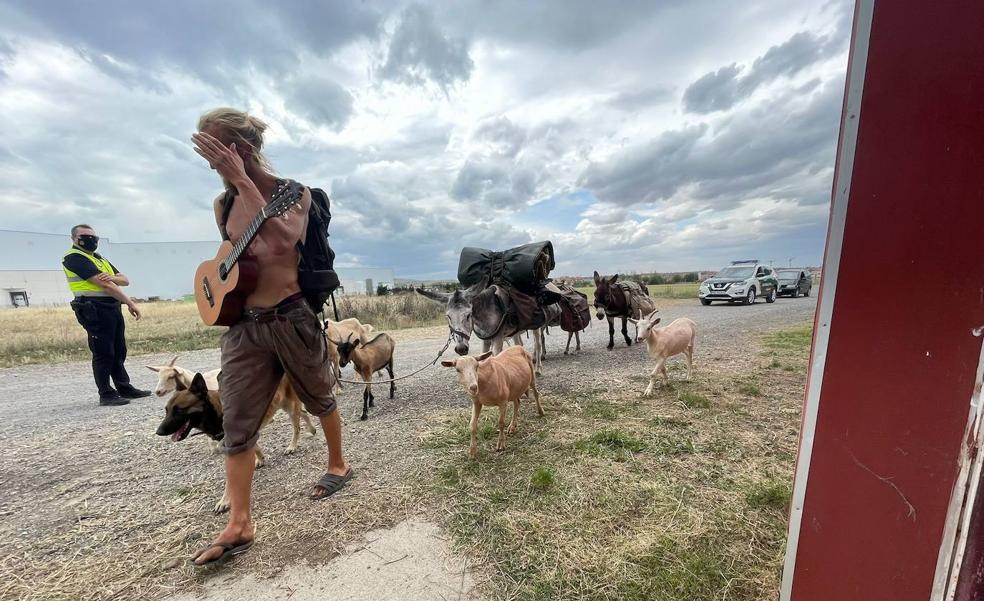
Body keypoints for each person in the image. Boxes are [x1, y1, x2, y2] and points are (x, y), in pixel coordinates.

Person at [189, 108, 352, 566]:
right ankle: (240, 521)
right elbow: (232, 258)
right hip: (244, 325)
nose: (211, 159)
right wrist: (217, 281)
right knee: (237, 416)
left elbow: (280, 244)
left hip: (291, 317)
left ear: (242, 147)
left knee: (318, 394)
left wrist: (243, 182)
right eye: (206, 149)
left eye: (217, 146)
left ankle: (339, 463)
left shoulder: (292, 193)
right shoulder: (221, 206)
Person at [63, 225, 151, 406]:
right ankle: (106, 393)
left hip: (111, 306)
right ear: (73, 239)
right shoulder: (74, 258)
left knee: (119, 350)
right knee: (104, 352)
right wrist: (130, 302)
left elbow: (124, 280)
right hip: (92, 308)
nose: (90, 240)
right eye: (84, 236)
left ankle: (124, 387)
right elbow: (105, 286)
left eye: (93, 236)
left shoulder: (98, 259)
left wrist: (111, 278)